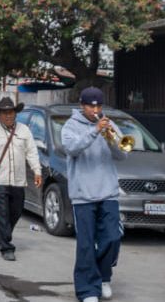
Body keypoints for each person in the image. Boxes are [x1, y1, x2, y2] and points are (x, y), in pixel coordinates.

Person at [61, 87, 128, 302]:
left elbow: (122, 154)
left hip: (108, 192)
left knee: (112, 237)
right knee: (86, 244)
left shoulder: (108, 123)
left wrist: (111, 139)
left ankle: (103, 276)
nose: (96, 109)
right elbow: (72, 148)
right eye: (91, 106)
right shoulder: (70, 126)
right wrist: (94, 131)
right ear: (82, 105)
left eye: (99, 105)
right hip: (83, 195)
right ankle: (87, 290)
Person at [0, 97, 42, 261]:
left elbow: (31, 152)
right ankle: (7, 247)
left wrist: (37, 171)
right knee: (2, 214)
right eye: (4, 113)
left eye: (10, 112)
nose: (8, 116)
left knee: (16, 212)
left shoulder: (24, 130)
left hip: (19, 180)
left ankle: (0, 235)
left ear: (15, 113)